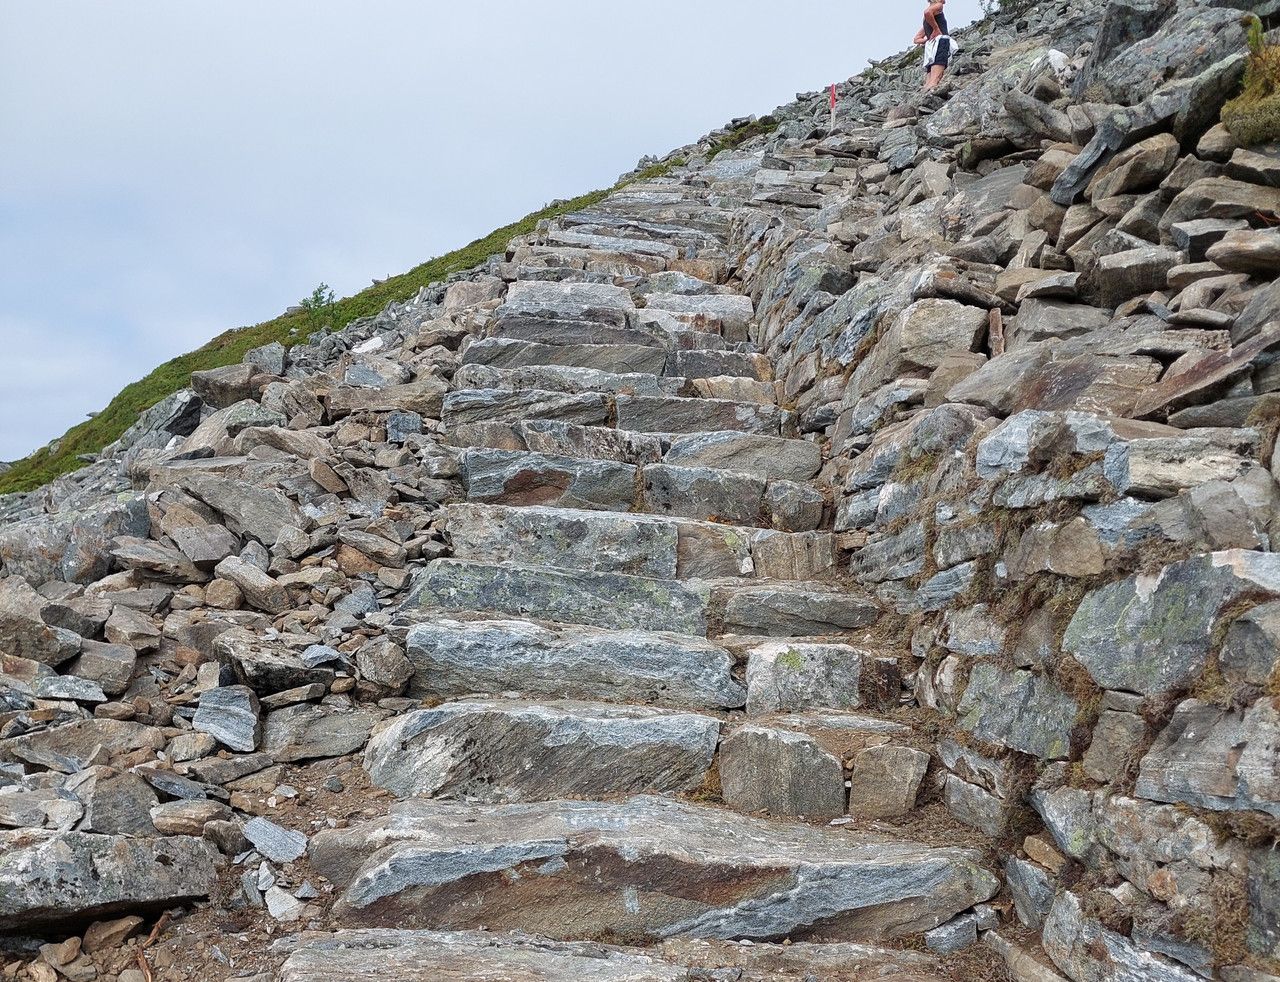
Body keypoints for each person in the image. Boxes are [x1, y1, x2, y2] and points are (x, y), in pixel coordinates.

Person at [914, 0, 952, 91]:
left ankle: (923, 98)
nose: (945, 1)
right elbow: (927, 12)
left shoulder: (926, 20)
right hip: (941, 42)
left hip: (931, 48)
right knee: (936, 78)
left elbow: (916, 39)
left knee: (929, 78)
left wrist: (928, 39)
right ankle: (931, 98)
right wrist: (936, 29)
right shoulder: (938, 6)